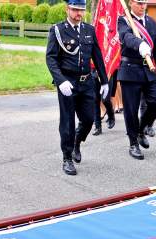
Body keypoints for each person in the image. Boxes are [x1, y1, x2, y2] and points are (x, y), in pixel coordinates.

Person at [46, 0, 108, 175]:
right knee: (67, 121)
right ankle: (67, 158)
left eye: (81, 10)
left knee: (89, 119)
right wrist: (60, 80)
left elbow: (97, 55)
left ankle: (76, 143)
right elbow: (51, 58)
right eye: (75, 10)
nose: (78, 14)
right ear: (68, 9)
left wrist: (104, 81)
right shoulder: (57, 30)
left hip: (86, 82)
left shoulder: (89, 30)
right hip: (67, 82)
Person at [117, 0, 156, 160]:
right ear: (131, 3)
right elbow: (126, 37)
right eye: (139, 3)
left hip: (148, 69)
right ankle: (133, 143)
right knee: (131, 110)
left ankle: (140, 129)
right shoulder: (123, 20)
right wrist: (139, 44)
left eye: (144, 3)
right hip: (130, 69)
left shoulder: (151, 22)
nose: (143, 6)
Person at [91, 68, 116, 136]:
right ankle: (97, 126)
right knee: (95, 100)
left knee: (105, 100)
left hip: (107, 72)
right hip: (94, 73)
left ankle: (111, 115)